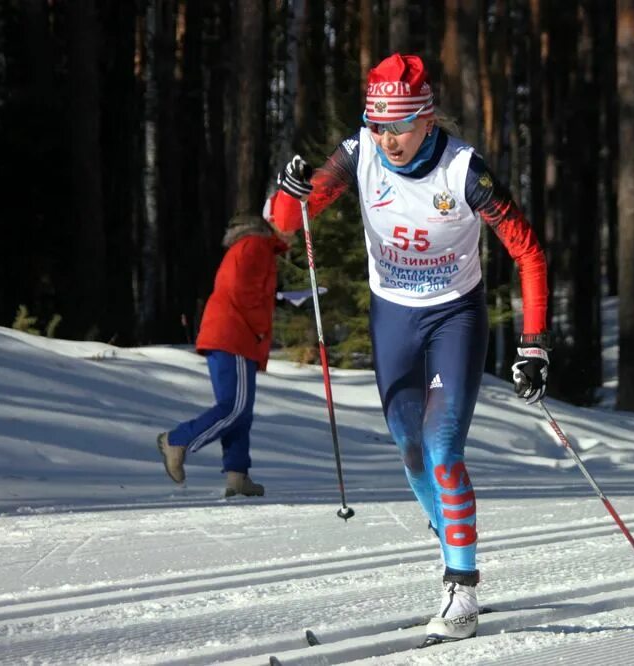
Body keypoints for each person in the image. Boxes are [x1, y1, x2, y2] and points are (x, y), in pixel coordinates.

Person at [268, 53, 550, 642]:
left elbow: (528, 253)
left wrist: (534, 345)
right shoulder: (358, 154)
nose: (388, 139)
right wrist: (289, 191)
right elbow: (286, 223)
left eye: (399, 125)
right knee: (411, 451)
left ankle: (462, 589)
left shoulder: (465, 171)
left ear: (427, 119)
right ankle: (451, 533)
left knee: (443, 448)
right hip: (393, 316)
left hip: (454, 317)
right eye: (378, 124)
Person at [157, 214, 291, 498]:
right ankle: (178, 440)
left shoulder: (250, 247)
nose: (294, 232)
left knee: (239, 410)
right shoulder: (256, 246)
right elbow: (242, 291)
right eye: (289, 224)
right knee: (235, 408)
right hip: (236, 335)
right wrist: (257, 330)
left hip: (228, 333)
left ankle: (237, 475)